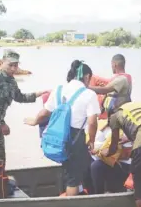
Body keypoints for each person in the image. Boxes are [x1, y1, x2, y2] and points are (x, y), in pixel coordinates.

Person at [24, 60, 101, 196]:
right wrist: (92, 140)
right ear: (87, 77)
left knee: (68, 168)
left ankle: (71, 193)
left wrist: (34, 121)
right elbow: (92, 122)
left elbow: (45, 112)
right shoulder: (89, 94)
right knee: (73, 178)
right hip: (75, 137)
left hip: (58, 136)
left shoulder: (58, 89)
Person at [88, 97, 132, 194]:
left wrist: (107, 151)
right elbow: (93, 145)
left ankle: (100, 195)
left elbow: (127, 154)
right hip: (105, 162)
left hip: (124, 167)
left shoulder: (129, 129)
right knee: (85, 160)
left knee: (96, 166)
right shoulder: (102, 127)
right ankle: (92, 194)